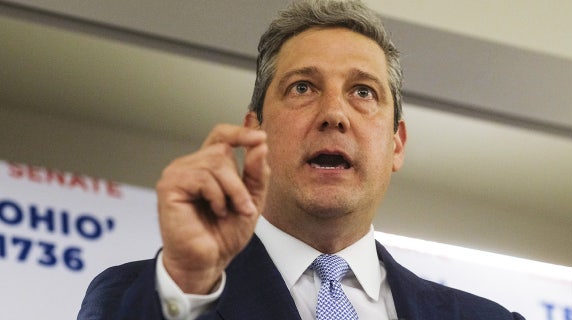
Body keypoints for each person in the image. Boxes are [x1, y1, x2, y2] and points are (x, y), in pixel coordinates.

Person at [78, 1, 525, 319]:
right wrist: (186, 285)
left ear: (397, 144)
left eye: (363, 92)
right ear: (254, 132)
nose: (333, 114)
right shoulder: (146, 296)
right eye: (303, 88)